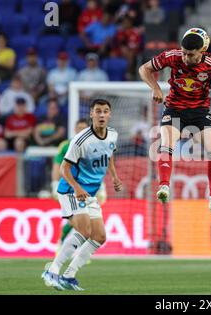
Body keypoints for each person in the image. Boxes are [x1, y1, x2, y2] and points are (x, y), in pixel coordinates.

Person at [138, 28, 211, 216]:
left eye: (191, 55)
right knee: (166, 143)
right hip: (174, 108)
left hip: (199, 112)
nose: (186, 58)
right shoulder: (173, 56)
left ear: (202, 52)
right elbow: (144, 69)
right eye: (184, 53)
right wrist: (155, 88)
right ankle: (164, 187)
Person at [42, 99, 122, 291]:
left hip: (90, 193)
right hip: (72, 190)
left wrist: (114, 177)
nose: (102, 115)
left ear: (109, 115)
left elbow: (109, 154)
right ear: (91, 115)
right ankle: (51, 270)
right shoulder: (80, 140)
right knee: (85, 231)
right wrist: (77, 188)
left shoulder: (113, 135)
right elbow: (64, 168)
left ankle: (69, 276)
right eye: (98, 111)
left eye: (105, 111)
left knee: (100, 237)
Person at [51, 118, 107, 259]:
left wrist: (102, 187)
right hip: (70, 188)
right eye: (79, 128)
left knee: (85, 222)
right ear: (75, 130)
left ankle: (70, 248)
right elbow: (58, 166)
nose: (81, 131)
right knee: (80, 221)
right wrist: (54, 183)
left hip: (88, 188)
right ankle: (63, 244)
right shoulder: (66, 145)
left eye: (84, 128)